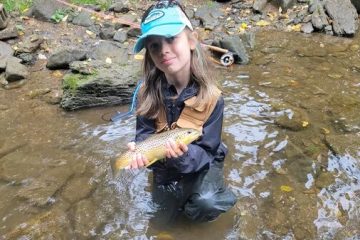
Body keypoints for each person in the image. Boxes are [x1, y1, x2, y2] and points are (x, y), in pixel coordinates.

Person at [127, 0, 236, 224]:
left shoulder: (213, 98)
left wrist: (183, 156)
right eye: (154, 45)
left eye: (171, 38)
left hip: (201, 161)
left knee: (205, 205)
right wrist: (141, 156)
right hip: (165, 164)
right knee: (163, 217)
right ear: (148, 53)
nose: (163, 50)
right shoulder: (145, 95)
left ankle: (213, 194)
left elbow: (207, 151)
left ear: (192, 40)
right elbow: (144, 138)